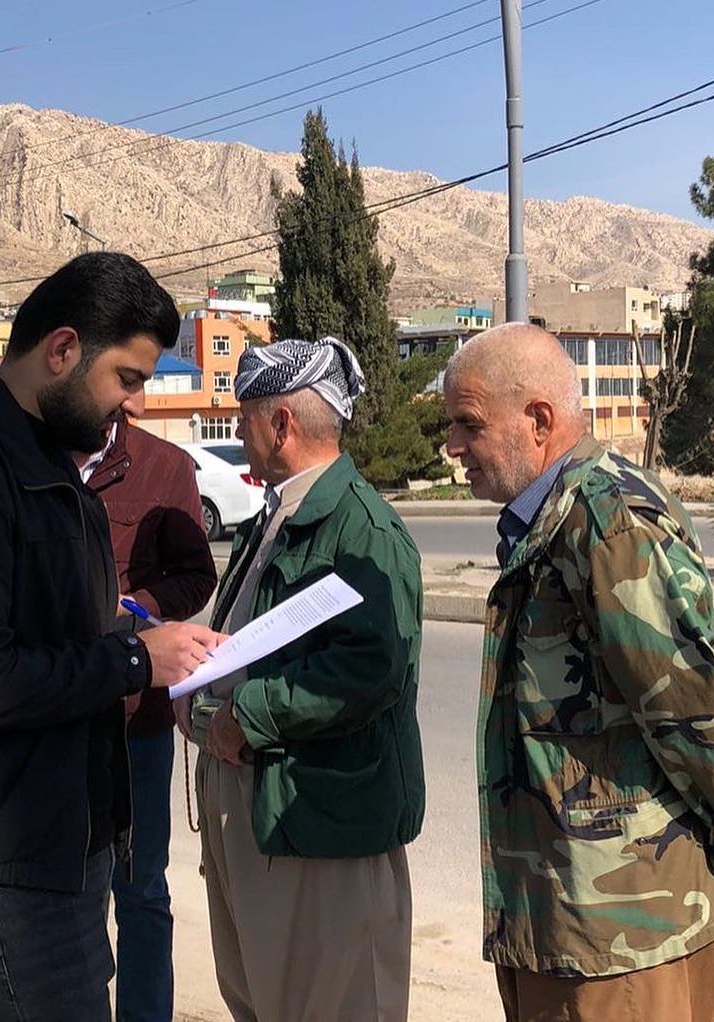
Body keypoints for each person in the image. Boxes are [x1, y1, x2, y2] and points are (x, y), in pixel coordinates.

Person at [0, 252, 226, 1022]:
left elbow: (59, 631)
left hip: (57, 842)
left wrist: (148, 647)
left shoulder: (47, 466)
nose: (133, 402)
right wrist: (135, 658)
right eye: (126, 378)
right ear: (63, 349)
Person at [442, 323, 714, 1022]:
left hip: (622, 943)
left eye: (468, 425)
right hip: (581, 929)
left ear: (539, 421)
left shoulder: (605, 522)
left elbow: (699, 703)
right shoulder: (559, 518)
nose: (452, 447)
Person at [186, 337, 425, 1022]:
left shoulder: (362, 529)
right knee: (259, 998)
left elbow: (369, 668)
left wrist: (248, 714)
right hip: (260, 810)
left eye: (245, 419)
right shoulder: (279, 514)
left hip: (320, 829)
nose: (238, 434)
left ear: (282, 425)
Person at [79, 409, 218, 1022]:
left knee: (140, 889)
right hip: (53, 718)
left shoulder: (165, 466)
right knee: (67, 894)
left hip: (137, 722)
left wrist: (132, 607)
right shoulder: (34, 457)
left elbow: (196, 576)